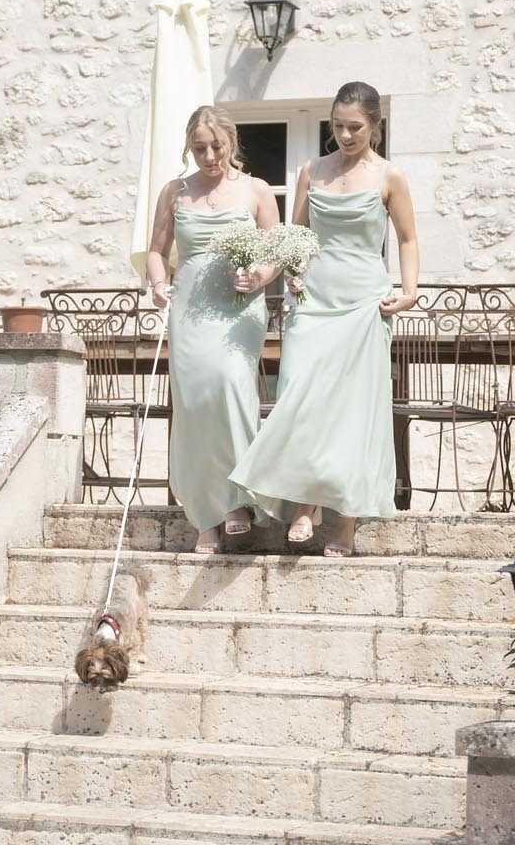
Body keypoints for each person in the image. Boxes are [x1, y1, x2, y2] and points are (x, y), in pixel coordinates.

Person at [230, 81, 419, 557]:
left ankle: (345, 524)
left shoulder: (390, 176)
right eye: (337, 126)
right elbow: (294, 236)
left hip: (363, 302)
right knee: (300, 395)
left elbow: (407, 238)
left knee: (351, 410)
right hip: (313, 300)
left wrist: (410, 291)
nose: (345, 135)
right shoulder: (311, 171)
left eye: (355, 127)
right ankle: (306, 501)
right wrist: (277, 273)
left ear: (375, 125)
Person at [145, 105, 280, 555]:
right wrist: (159, 284)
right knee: (196, 405)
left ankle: (238, 498)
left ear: (232, 142)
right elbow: (156, 250)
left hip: (239, 309)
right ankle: (205, 515)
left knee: (229, 387)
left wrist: (259, 276)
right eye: (199, 148)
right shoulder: (174, 192)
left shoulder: (257, 190)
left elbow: (277, 251)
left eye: (216, 147)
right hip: (190, 310)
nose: (209, 157)